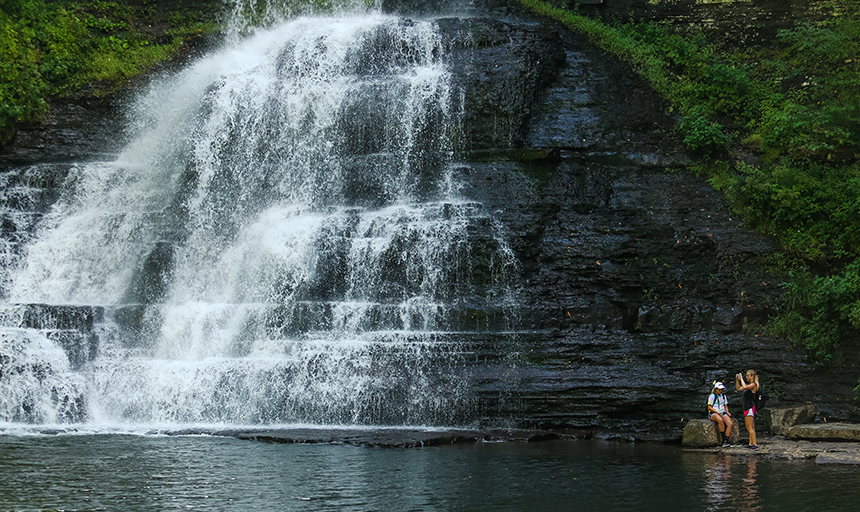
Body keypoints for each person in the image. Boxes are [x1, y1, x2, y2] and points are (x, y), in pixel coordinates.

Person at [736, 369, 760, 450]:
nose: (746, 377)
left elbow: (745, 387)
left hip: (750, 407)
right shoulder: (750, 385)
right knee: (750, 427)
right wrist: (737, 380)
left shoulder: (753, 385)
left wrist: (741, 378)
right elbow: (739, 388)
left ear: (752, 376)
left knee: (749, 427)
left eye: (747, 375)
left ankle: (754, 444)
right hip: (747, 407)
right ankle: (751, 443)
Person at [707, 381, 733, 447]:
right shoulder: (712, 396)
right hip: (714, 413)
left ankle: (726, 440)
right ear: (716, 389)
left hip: (722, 412)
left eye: (721, 389)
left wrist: (727, 412)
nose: (720, 391)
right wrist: (716, 412)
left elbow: (725, 406)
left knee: (730, 423)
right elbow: (709, 407)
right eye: (719, 389)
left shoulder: (723, 396)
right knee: (720, 420)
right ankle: (723, 438)